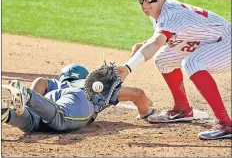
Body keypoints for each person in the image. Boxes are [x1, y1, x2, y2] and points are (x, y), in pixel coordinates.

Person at [117, 0, 231, 140]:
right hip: (207, 42)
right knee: (163, 59)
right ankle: (182, 109)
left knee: (192, 62)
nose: (145, 5)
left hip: (226, 42)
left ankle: (226, 124)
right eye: (141, 0)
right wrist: (144, 43)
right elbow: (166, 38)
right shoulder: (158, 10)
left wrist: (127, 68)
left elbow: (158, 42)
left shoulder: (171, 13)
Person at [2, 63, 155, 133]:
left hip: (50, 99)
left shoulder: (58, 84)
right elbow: (137, 94)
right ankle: (28, 96)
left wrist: (32, 104)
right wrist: (145, 111)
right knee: (60, 118)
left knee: (31, 121)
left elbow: (40, 81)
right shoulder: (91, 85)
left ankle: (7, 113)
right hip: (77, 98)